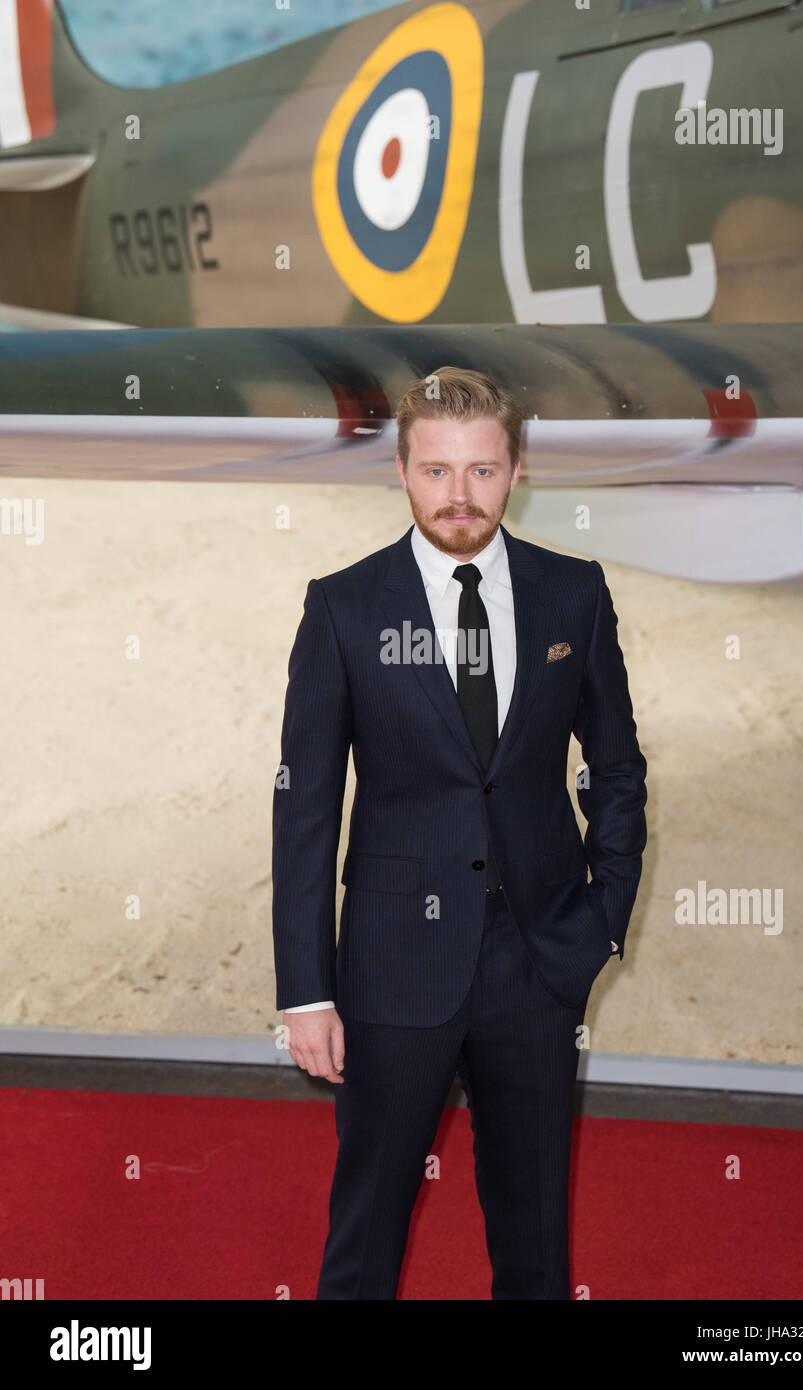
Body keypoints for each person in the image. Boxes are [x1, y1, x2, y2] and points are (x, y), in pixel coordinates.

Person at [272, 365, 647, 1299]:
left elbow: (616, 769)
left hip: (538, 956)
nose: (458, 496)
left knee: (534, 1235)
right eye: (436, 472)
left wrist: (601, 920)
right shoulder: (344, 606)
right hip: (394, 963)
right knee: (366, 1228)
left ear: (516, 469)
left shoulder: (573, 593)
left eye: (480, 471)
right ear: (400, 472)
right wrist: (306, 989)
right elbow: (305, 809)